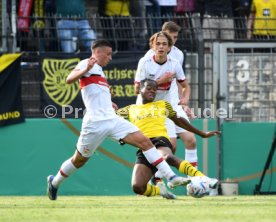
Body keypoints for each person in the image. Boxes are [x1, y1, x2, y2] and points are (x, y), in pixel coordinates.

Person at [47, 40, 190, 200]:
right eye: (107, 54)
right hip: (94, 123)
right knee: (79, 160)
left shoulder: (100, 71)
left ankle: (171, 177)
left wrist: (109, 100)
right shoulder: (86, 63)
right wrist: (84, 70)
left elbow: (96, 94)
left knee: (145, 142)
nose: (110, 58)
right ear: (97, 52)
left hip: (112, 119)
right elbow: (69, 79)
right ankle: (55, 182)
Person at [117, 79, 219, 199]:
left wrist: (201, 133)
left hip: (159, 140)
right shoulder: (130, 109)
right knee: (138, 186)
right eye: (149, 88)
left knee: (166, 157)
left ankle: (204, 179)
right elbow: (111, 119)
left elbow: (180, 121)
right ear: (140, 90)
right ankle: (161, 191)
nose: (152, 92)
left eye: (155, 90)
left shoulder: (162, 105)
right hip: (144, 147)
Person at [144, 22, 199, 172]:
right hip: (157, 108)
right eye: (170, 37)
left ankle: (194, 181)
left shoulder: (178, 54)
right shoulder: (149, 57)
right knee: (170, 147)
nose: (173, 40)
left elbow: (178, 82)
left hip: (174, 104)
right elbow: (143, 88)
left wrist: (184, 103)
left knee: (191, 140)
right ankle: (156, 180)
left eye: (175, 37)